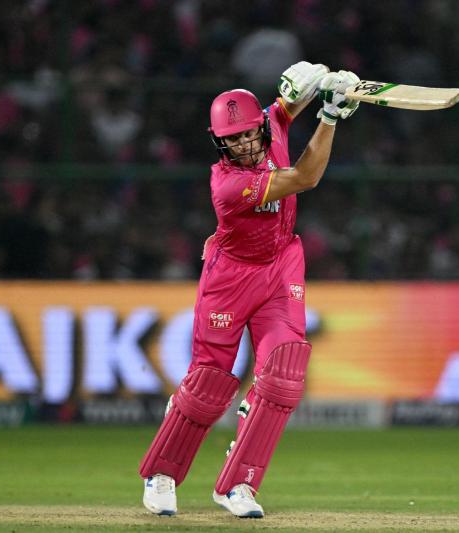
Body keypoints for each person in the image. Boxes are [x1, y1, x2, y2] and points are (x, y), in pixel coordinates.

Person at [138, 62, 360, 518]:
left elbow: (285, 105)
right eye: (231, 139)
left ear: (259, 126)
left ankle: (238, 484)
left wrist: (322, 84)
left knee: (283, 376)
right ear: (219, 142)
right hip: (231, 277)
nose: (242, 144)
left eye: (247, 134)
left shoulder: (270, 126)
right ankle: (161, 473)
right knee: (209, 384)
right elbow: (305, 178)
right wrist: (331, 116)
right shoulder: (229, 184)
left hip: (280, 265)